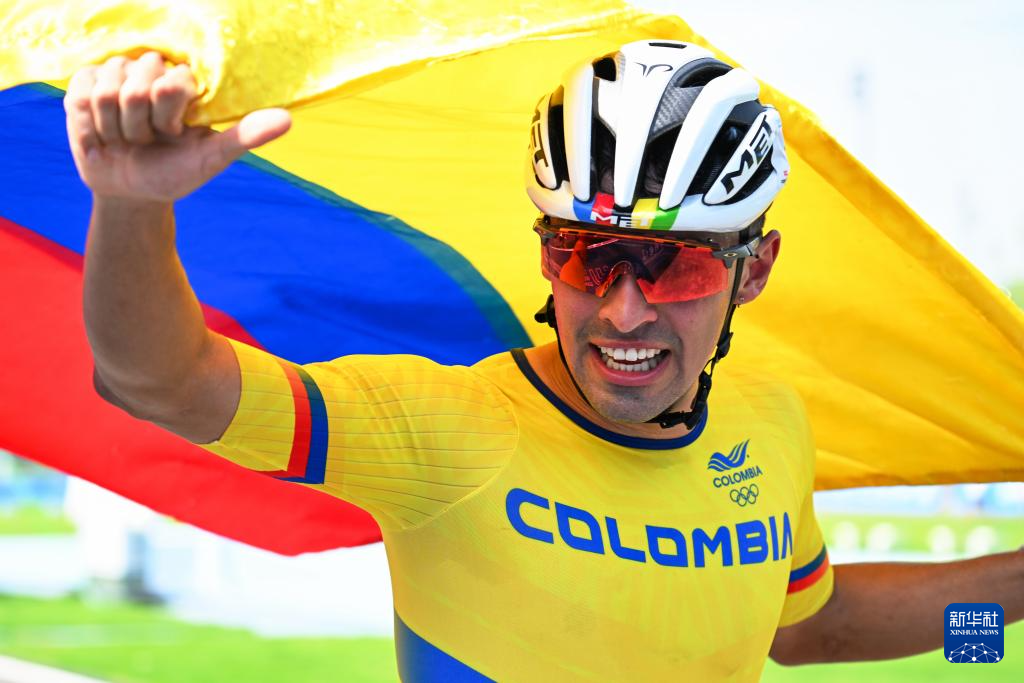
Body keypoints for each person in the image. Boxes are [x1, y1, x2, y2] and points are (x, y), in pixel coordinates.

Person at [65, 41, 1021, 681]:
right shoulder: (442, 428)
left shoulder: (770, 422)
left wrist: (1012, 608)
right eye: (586, 256)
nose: (624, 309)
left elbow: (814, 631)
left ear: (754, 270)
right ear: (545, 256)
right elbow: (158, 380)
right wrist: (131, 204)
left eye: (678, 267)